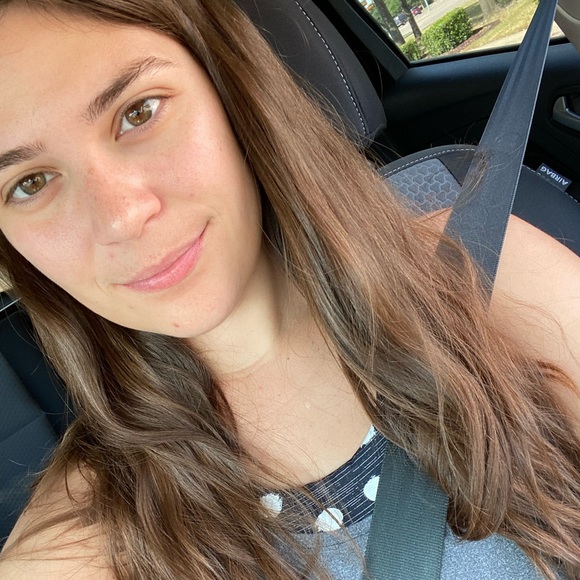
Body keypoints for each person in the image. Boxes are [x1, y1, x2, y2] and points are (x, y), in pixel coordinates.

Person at [0, 0, 578, 578]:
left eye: (139, 111)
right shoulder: (81, 539)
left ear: (229, 85)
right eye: (29, 183)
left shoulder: (482, 272)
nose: (122, 216)